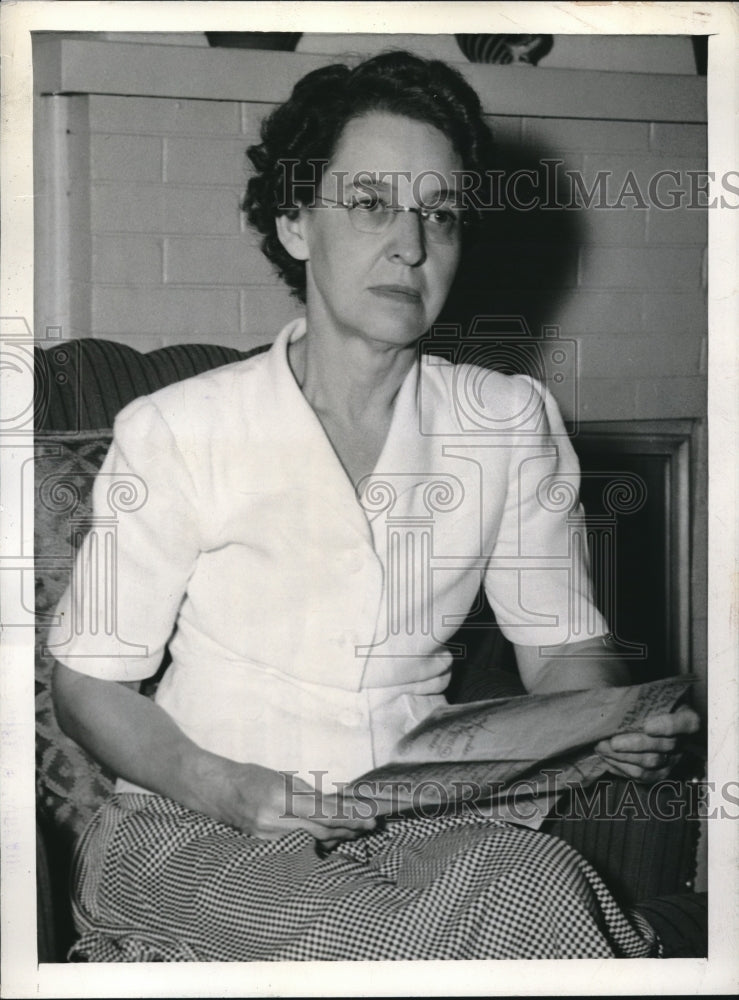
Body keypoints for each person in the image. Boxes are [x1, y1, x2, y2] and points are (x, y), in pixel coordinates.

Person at [50, 51, 699, 961]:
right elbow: (87, 681)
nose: (411, 243)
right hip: (194, 827)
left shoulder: (503, 422)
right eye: (371, 205)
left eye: (440, 214)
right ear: (294, 221)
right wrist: (221, 783)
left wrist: (606, 724)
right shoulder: (181, 427)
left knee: (541, 888)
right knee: (380, 935)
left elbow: (559, 649)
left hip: (420, 819)